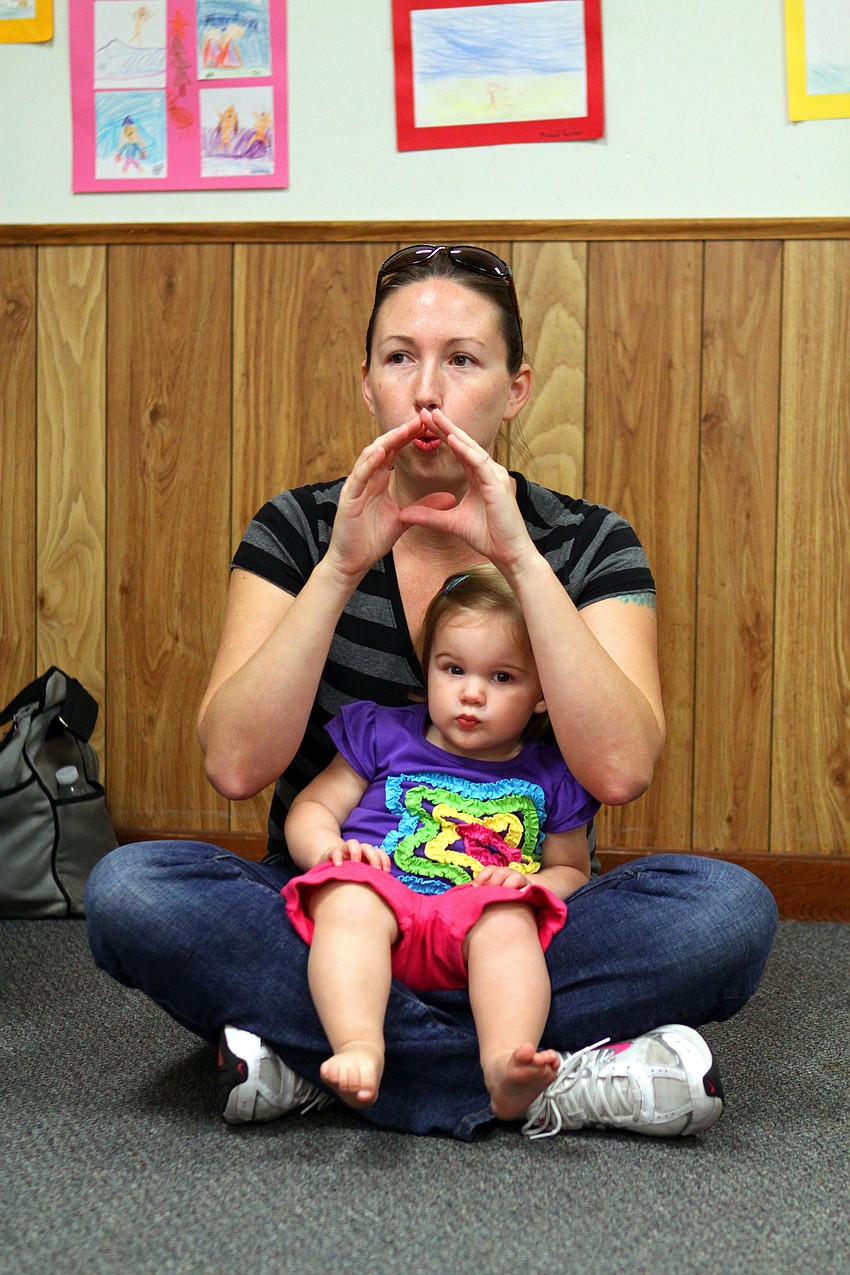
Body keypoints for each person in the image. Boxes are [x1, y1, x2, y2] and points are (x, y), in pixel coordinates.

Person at [86, 243, 778, 1140]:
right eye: (400, 357)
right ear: (367, 381)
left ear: (515, 387)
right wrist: (340, 567)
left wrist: (519, 559)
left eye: (462, 360)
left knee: (728, 911)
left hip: (516, 918)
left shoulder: (589, 541)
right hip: (342, 907)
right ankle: (532, 1076)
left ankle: (331, 1059)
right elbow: (233, 764)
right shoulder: (297, 528)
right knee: (132, 890)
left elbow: (619, 770)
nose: (427, 390)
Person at [282, 565, 598, 1123]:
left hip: (474, 925)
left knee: (509, 921)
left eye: (502, 678)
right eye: (452, 669)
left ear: (545, 693)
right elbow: (311, 809)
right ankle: (360, 1044)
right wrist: (330, 852)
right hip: (379, 902)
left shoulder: (552, 772)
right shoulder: (382, 732)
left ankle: (505, 1064)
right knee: (348, 900)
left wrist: (531, 883)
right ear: (427, 668)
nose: (471, 693)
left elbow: (572, 870)